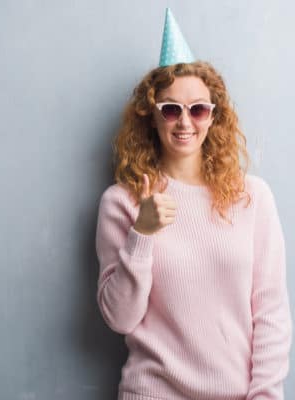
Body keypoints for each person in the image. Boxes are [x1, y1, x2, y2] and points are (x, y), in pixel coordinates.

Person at [95, 8, 292, 400]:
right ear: (152, 117)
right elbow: (120, 318)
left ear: (213, 117)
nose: (185, 122)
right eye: (171, 109)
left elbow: (271, 314)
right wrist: (142, 235)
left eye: (198, 109)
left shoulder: (252, 197)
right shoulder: (123, 202)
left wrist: (266, 396)